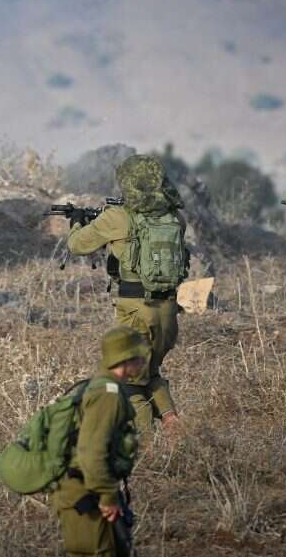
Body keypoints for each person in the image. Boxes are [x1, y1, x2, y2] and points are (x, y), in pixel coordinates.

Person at [66, 155, 188, 434]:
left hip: (135, 310)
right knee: (150, 372)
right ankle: (173, 423)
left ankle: (145, 448)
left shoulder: (117, 217)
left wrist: (77, 222)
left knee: (129, 379)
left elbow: (77, 244)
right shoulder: (175, 218)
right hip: (167, 310)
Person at [50, 325, 145, 557]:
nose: (144, 361)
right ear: (127, 358)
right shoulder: (107, 394)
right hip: (85, 492)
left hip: (87, 487)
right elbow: (91, 452)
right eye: (140, 356)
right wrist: (107, 496)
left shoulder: (106, 386)